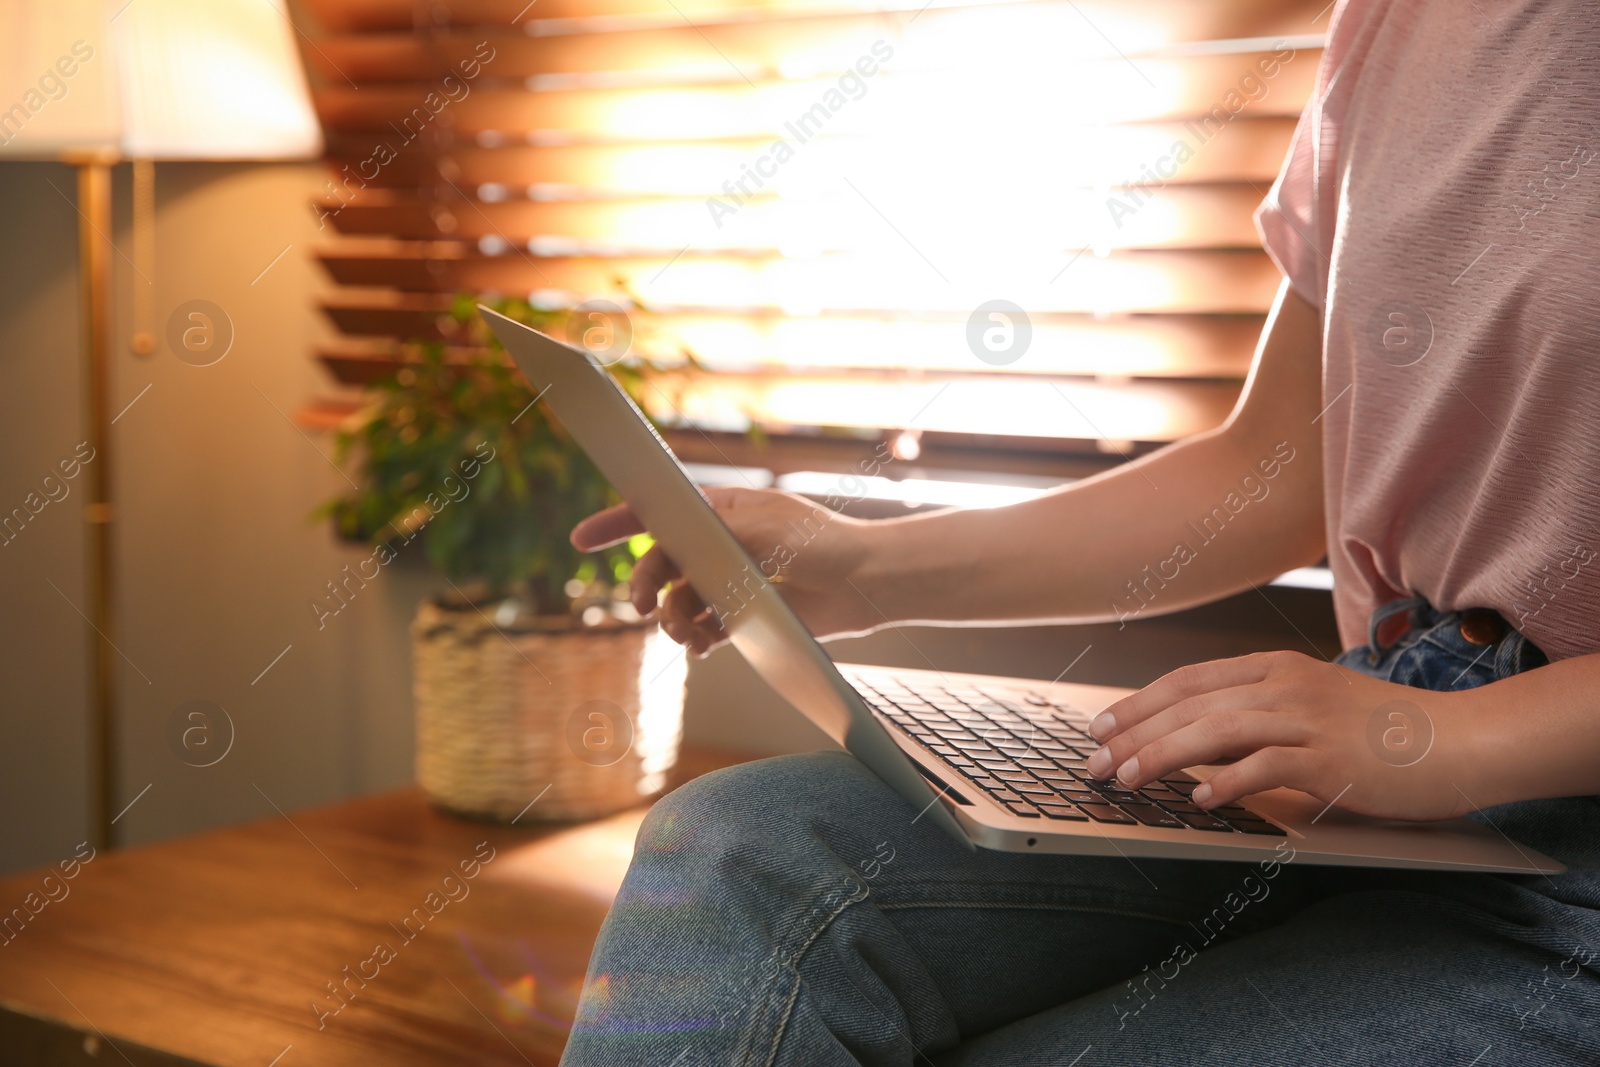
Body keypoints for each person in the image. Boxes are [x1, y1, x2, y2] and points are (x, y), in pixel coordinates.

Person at [556, 0, 1600, 1062]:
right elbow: (1276, 468)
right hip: (1354, 782)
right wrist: (869, 564)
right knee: (737, 855)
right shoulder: (1389, 24)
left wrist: (1451, 741)